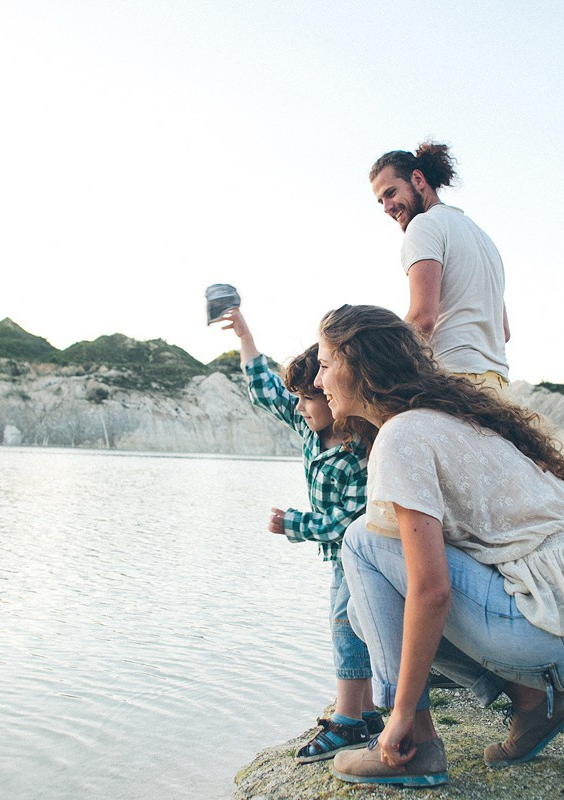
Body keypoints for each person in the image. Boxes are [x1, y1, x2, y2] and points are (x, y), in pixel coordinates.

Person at [312, 305, 564, 787]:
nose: (318, 382)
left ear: (357, 364)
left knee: (360, 540)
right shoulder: (442, 420)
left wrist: (398, 714)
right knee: (366, 615)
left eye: (325, 364)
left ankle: (414, 745)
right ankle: (534, 703)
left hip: (545, 633)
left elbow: (432, 590)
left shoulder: (401, 435)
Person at [217, 305, 383, 763]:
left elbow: (348, 521)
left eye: (307, 398)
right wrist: (245, 335)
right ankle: (367, 711)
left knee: (346, 623)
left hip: (362, 553)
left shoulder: (358, 452)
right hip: (340, 555)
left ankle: (349, 719)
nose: (297, 407)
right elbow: (265, 389)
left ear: (331, 397)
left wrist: (293, 524)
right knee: (354, 623)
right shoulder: (310, 428)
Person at [369, 142, 511, 393]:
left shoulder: (424, 226)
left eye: (391, 193)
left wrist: (378, 366)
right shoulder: (481, 237)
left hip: (455, 381)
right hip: (498, 385)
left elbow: (422, 319)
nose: (387, 208)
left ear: (418, 179)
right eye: (381, 201)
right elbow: (504, 331)